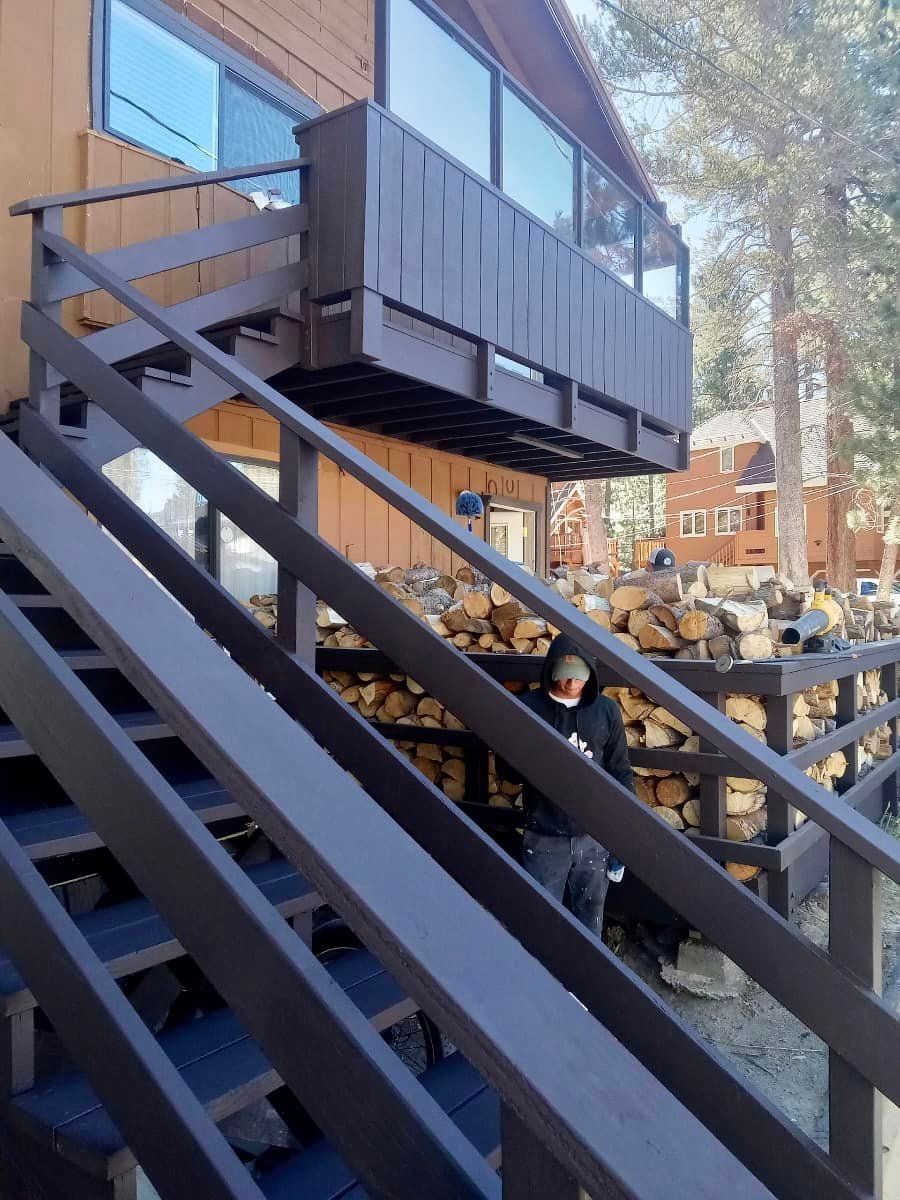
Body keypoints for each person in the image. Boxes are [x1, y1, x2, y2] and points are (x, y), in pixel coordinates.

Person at [502, 634, 633, 936]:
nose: (572, 685)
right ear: (551, 670)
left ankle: (585, 981)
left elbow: (620, 771)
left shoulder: (606, 711)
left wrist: (622, 838)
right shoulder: (528, 707)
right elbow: (507, 772)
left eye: (579, 678)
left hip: (595, 837)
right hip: (544, 835)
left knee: (591, 918)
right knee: (540, 922)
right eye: (565, 677)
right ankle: (542, 980)